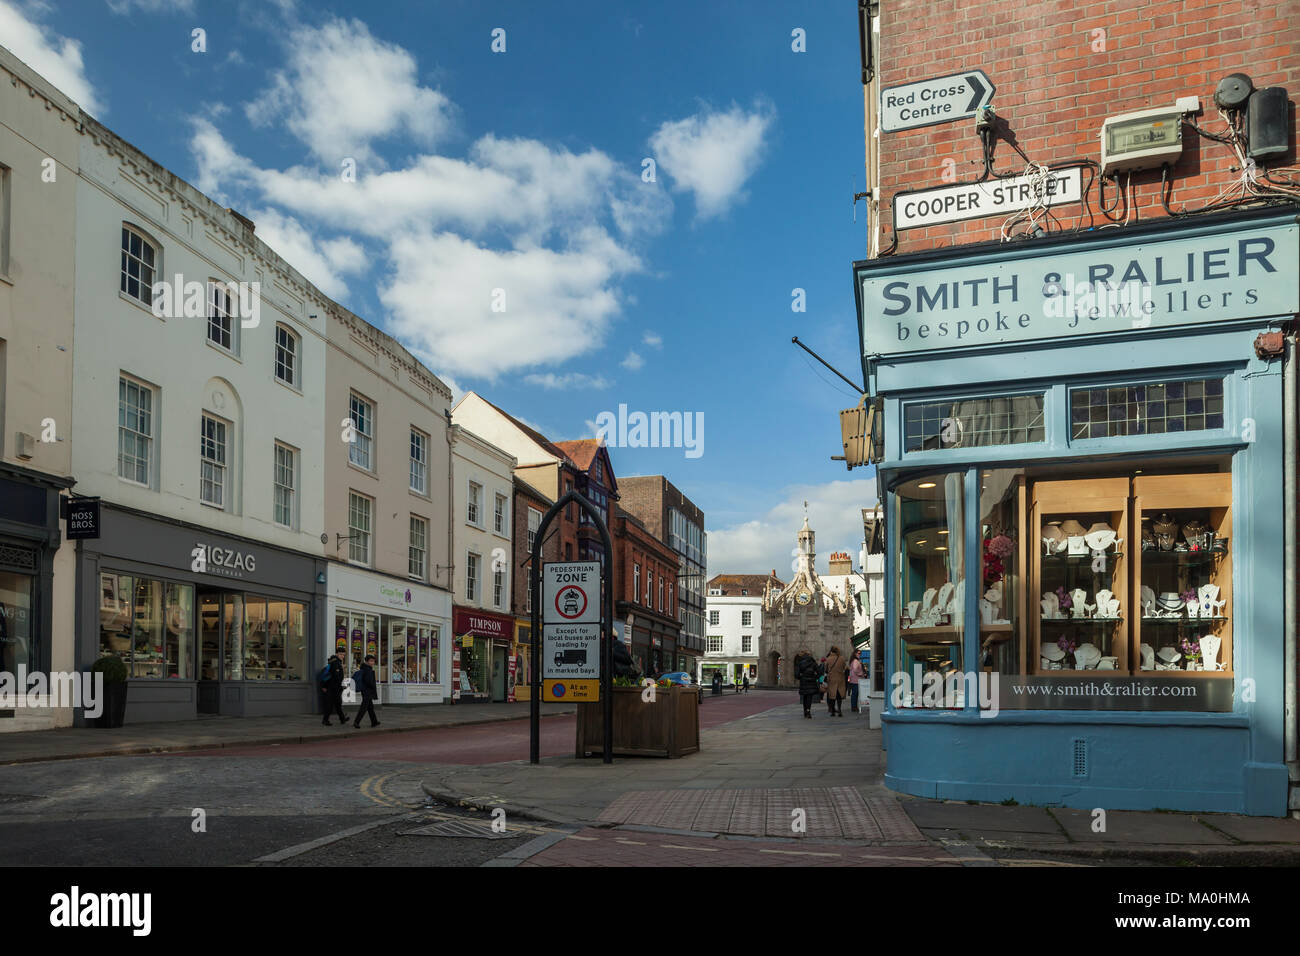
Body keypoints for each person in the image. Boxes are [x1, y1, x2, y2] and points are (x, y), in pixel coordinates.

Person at [320, 651, 348, 727]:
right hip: (333, 687)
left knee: (337, 704)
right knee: (331, 704)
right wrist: (341, 685)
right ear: (337, 654)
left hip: (334, 687)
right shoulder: (335, 663)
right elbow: (336, 677)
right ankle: (325, 720)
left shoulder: (335, 662)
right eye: (341, 654)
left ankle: (342, 718)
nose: (342, 656)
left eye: (343, 655)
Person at [353, 655, 380, 728]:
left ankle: (374, 721)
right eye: (371, 661)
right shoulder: (367, 669)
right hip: (367, 690)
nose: (372, 662)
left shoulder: (365, 668)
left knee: (370, 707)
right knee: (364, 707)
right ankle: (356, 722)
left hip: (366, 690)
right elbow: (368, 681)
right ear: (366, 661)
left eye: (373, 661)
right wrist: (372, 686)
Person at [794, 649, 820, 718]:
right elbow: (819, 672)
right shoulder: (813, 662)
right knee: (809, 697)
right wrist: (815, 677)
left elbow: (796, 674)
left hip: (803, 681)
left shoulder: (800, 662)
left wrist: (801, 677)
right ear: (809, 655)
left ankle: (805, 711)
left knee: (804, 697)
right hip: (811, 681)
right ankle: (808, 711)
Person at [823, 645, 848, 716]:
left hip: (831, 679)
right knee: (839, 696)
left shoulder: (828, 659)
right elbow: (845, 667)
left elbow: (826, 670)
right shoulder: (842, 658)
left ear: (831, 651)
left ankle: (833, 711)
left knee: (832, 696)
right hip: (840, 679)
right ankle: (839, 710)